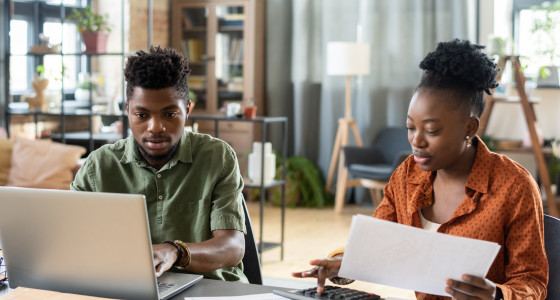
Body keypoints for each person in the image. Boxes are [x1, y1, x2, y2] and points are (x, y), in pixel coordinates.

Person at [293, 39, 548, 299]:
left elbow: (532, 281)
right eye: (411, 128)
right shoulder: (407, 175)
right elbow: (377, 245)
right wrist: (342, 264)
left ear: (470, 128)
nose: (417, 140)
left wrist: (497, 296)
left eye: (431, 130)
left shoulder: (514, 185)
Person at [71, 46, 248, 282]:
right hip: (128, 288)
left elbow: (233, 247)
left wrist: (176, 251)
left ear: (187, 110)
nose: (155, 127)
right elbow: (71, 241)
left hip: (212, 290)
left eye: (170, 114)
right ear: (127, 111)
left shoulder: (217, 157)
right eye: (142, 115)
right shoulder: (98, 167)